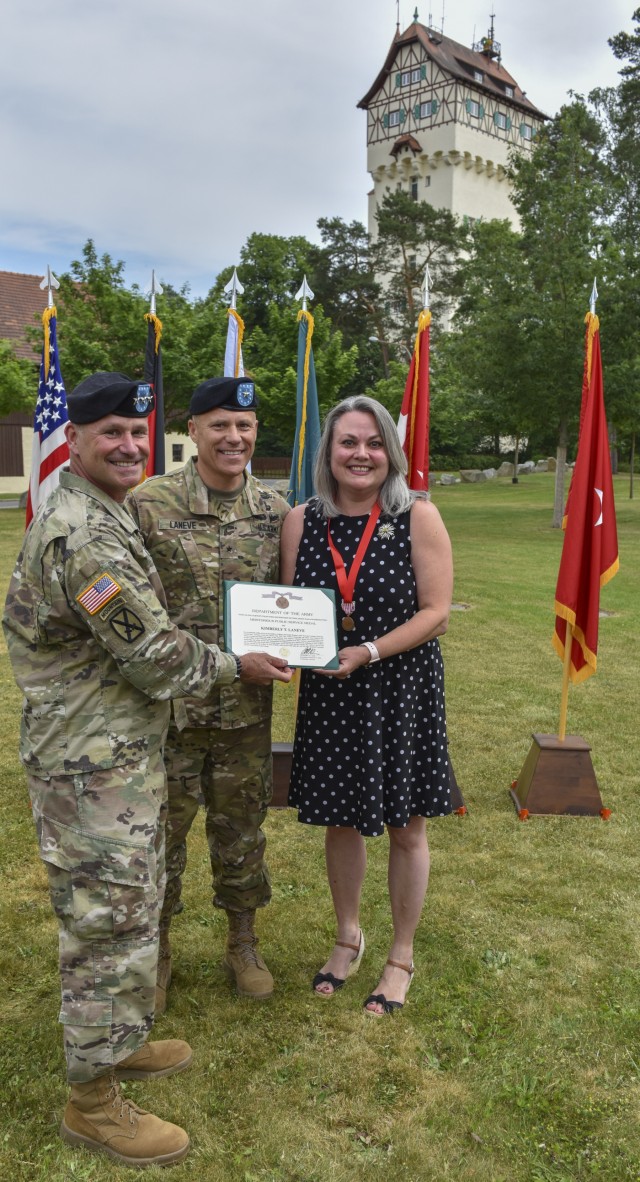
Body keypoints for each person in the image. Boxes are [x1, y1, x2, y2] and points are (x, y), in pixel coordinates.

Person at [2, 372, 291, 1168]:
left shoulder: (103, 509)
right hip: (93, 767)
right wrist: (243, 667)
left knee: (128, 908)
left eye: (138, 433)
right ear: (78, 442)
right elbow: (160, 657)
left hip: (115, 752)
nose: (129, 446)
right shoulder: (86, 537)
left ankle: (118, 1044)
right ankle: (92, 1102)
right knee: (107, 923)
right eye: (111, 435)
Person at [280, 395, 453, 1016]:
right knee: (340, 819)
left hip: (398, 688)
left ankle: (400, 956)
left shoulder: (417, 516)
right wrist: (278, 650)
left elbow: (435, 614)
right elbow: (288, 611)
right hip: (331, 693)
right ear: (328, 451)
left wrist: (370, 651)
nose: (361, 454)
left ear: (391, 452)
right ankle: (347, 936)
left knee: (408, 826)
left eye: (374, 442)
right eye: (348, 442)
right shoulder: (301, 520)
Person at [127, 375, 289, 1007]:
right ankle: (158, 951)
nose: (234, 437)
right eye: (220, 425)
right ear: (191, 430)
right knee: (160, 834)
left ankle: (242, 943)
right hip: (167, 709)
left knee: (242, 829)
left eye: (245, 426)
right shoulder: (149, 503)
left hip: (245, 713)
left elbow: (295, 602)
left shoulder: (275, 511)